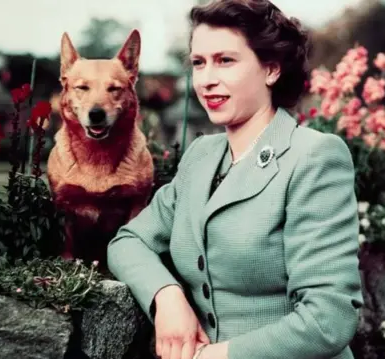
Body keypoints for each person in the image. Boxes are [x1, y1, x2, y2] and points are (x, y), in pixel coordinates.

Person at [107, 1, 363, 358]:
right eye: (199, 63)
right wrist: (166, 297)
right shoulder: (201, 157)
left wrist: (218, 355)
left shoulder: (314, 156)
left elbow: (330, 318)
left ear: (271, 69)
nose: (207, 78)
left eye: (225, 60)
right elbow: (129, 241)